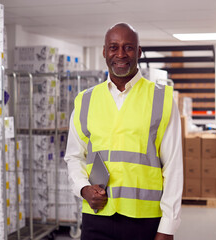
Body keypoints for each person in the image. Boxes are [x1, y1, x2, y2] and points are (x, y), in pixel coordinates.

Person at [64, 23, 183, 240]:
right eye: (113, 47)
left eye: (128, 47)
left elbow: (174, 167)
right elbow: (74, 157)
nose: (120, 54)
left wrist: (168, 227)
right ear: (104, 52)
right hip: (96, 216)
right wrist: (83, 189)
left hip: (144, 220)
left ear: (138, 52)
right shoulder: (85, 100)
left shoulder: (162, 99)